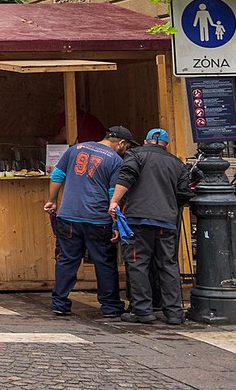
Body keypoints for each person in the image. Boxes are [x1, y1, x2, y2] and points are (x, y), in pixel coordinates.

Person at [45, 125, 137, 318]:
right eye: (126, 146)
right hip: (98, 219)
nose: (126, 150)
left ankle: (60, 303)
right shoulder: (115, 160)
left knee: (66, 260)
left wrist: (52, 200)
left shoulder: (75, 149)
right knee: (104, 263)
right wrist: (115, 223)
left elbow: (57, 175)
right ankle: (110, 306)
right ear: (121, 143)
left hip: (68, 216)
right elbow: (113, 194)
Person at [111, 128, 192, 325]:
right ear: (167, 144)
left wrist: (114, 201)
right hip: (166, 221)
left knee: (138, 264)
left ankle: (142, 310)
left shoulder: (135, 155)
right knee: (168, 264)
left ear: (146, 141)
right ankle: (173, 313)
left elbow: (126, 178)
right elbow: (184, 194)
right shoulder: (177, 164)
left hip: (138, 219)